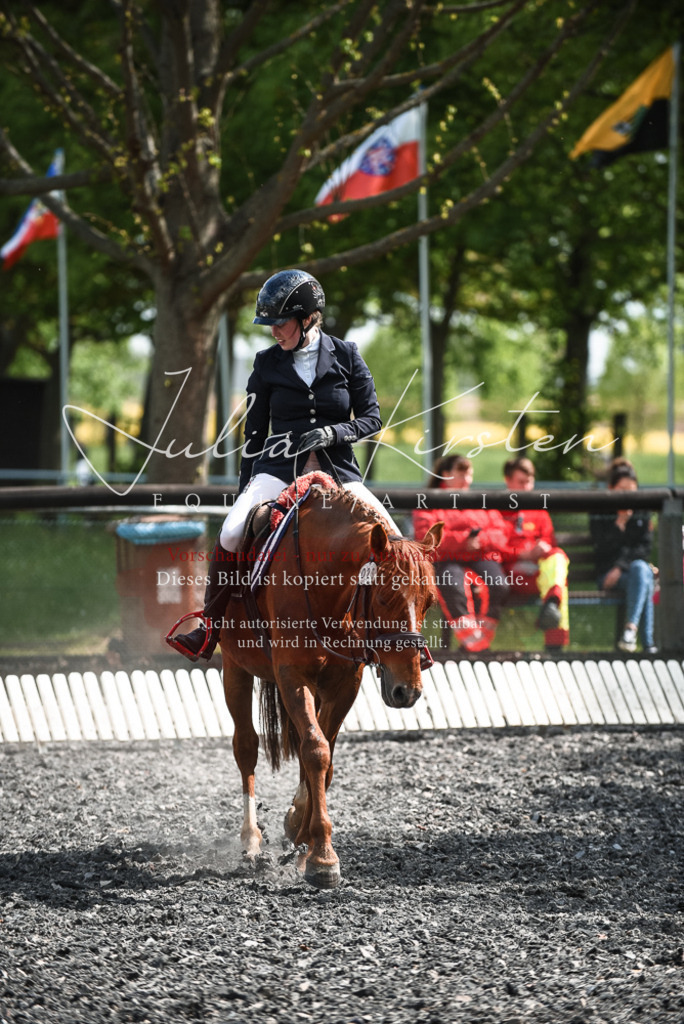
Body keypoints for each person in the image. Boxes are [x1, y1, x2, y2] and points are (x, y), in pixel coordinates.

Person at [170, 269, 400, 661]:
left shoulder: (347, 355)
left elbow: (372, 419)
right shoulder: (266, 363)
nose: (274, 332)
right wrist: (245, 490)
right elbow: (254, 434)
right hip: (277, 470)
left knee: (393, 540)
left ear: (307, 317)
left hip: (338, 471)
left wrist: (332, 433)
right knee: (231, 532)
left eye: (281, 322)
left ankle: (399, 638)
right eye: (270, 325)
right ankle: (209, 627)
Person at [413, 454, 513, 652]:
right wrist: (464, 541)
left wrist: (480, 541)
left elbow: (501, 534)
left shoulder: (479, 500)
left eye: (469, 474)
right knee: (452, 585)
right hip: (445, 560)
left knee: (499, 584)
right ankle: (475, 645)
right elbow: (427, 537)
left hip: (480, 557)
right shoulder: (429, 501)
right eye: (461, 474)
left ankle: (477, 642)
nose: (467, 479)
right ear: (445, 474)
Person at [500, 456, 570, 651]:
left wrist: (543, 548)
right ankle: (555, 648)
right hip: (511, 574)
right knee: (557, 586)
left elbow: (550, 544)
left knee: (557, 558)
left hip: (538, 572)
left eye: (529, 482)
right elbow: (494, 548)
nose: (526, 487)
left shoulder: (539, 511)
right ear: (508, 480)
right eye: (521, 482)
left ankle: (551, 605)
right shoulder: (498, 509)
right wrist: (522, 554)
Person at [589, 459, 656, 653]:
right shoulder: (600, 510)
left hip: (628, 572)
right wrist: (619, 523)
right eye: (622, 489)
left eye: (631, 490)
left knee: (641, 571)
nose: (627, 495)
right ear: (611, 488)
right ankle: (648, 645)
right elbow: (601, 547)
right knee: (645, 577)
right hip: (607, 575)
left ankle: (630, 630)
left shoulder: (642, 510)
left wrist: (620, 567)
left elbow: (644, 548)